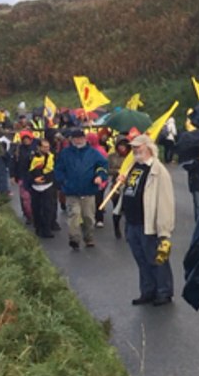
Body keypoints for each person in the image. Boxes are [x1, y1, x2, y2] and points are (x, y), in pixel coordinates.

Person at [119, 135, 175, 305]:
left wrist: (164, 229)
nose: (135, 151)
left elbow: (166, 202)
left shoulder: (159, 172)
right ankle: (148, 290)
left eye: (139, 148)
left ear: (149, 148)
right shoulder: (133, 167)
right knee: (141, 259)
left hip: (149, 223)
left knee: (156, 258)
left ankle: (163, 291)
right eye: (134, 148)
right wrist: (121, 183)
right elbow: (129, 191)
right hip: (132, 221)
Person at [54, 129, 109, 250]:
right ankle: (74, 239)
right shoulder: (65, 153)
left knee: (88, 217)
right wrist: (64, 181)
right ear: (72, 140)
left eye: (80, 138)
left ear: (85, 139)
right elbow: (58, 169)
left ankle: (89, 238)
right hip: (71, 191)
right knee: (74, 215)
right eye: (75, 138)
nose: (78, 140)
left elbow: (103, 165)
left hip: (89, 191)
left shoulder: (93, 153)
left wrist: (100, 176)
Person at [27, 137, 58, 239]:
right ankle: (38, 227)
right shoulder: (31, 157)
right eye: (44, 147)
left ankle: (47, 229)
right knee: (36, 208)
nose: (46, 149)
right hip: (35, 186)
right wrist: (33, 180)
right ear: (39, 147)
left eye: (48, 147)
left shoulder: (52, 156)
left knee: (48, 208)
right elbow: (26, 171)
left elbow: (56, 170)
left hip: (48, 184)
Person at [11, 129, 36, 225]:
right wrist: (12, 175)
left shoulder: (36, 148)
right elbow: (12, 163)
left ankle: (35, 214)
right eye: (24, 139)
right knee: (25, 199)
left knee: (35, 198)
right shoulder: (18, 150)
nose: (26, 140)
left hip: (35, 177)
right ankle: (29, 216)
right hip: (22, 177)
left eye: (27, 138)